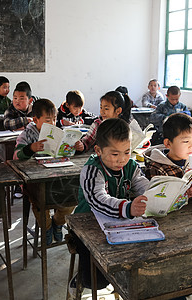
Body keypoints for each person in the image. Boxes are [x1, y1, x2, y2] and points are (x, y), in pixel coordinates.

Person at [73, 118, 149, 291]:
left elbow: (142, 184)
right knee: (95, 281)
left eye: (127, 152)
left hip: (118, 224)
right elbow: (98, 199)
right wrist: (128, 208)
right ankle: (82, 279)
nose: (121, 159)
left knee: (136, 267)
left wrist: (156, 194)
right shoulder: (92, 170)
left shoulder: (131, 165)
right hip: (87, 227)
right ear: (98, 150)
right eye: (115, 154)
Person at [13, 99, 83, 245]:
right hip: (36, 182)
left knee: (71, 198)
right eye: (48, 120)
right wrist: (31, 148)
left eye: (54, 119)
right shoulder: (27, 135)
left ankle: (57, 223)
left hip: (57, 177)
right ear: (35, 119)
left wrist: (76, 147)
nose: (52, 123)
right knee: (39, 204)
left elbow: (67, 154)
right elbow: (16, 156)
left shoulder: (60, 133)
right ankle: (46, 228)